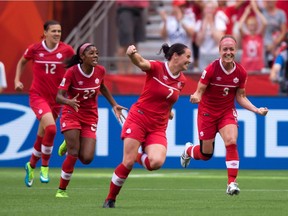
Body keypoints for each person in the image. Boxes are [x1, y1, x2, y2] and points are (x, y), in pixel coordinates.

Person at [103, 43, 191, 208]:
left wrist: (168, 111)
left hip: (158, 126)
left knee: (156, 162)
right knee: (127, 163)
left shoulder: (182, 80)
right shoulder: (157, 68)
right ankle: (110, 199)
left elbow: (168, 98)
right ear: (176, 56)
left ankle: (137, 156)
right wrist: (131, 54)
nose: (189, 61)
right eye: (187, 56)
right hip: (139, 119)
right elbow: (141, 62)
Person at [180, 35, 268, 196]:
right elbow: (199, 91)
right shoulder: (211, 69)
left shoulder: (241, 72)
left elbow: (240, 96)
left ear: (236, 51)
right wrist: (196, 97)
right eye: (225, 49)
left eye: (231, 49)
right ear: (219, 51)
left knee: (231, 141)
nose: (228, 52)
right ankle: (189, 150)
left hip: (226, 112)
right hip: (207, 112)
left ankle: (231, 183)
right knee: (206, 155)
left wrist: (256, 110)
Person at [54, 43, 127, 198]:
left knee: (87, 158)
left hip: (90, 116)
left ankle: (69, 141)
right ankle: (61, 190)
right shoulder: (72, 72)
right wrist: (69, 102)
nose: (96, 56)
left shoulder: (100, 70)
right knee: (73, 152)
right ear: (82, 57)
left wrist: (114, 105)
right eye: (92, 53)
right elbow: (58, 96)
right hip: (71, 112)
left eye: (97, 53)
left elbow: (102, 86)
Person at [14, 20, 75, 187]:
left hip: (56, 99)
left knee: (42, 135)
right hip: (38, 96)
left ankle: (31, 164)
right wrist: (17, 80)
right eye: (53, 31)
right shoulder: (35, 49)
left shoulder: (66, 50)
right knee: (51, 129)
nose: (57, 34)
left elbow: (75, 68)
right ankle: (45, 166)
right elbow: (22, 62)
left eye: (59, 31)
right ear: (45, 32)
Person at [115, 0, 149, 74]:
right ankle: (121, 73)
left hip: (140, 9)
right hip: (125, 8)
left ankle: (130, 72)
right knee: (124, 44)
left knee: (134, 45)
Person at [238, 0, 267, 73]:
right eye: (250, 25)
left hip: (258, 67)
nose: (252, 27)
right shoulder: (245, 37)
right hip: (246, 67)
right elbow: (240, 26)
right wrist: (246, 13)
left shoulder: (259, 36)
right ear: (247, 26)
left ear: (257, 25)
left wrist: (256, 9)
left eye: (254, 24)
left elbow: (265, 23)